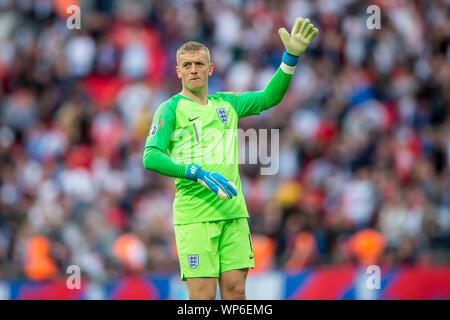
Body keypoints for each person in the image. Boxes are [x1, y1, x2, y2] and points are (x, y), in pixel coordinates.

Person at [143, 17, 319, 300]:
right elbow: (150, 157)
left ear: (210, 68)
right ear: (178, 71)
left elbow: (268, 98)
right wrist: (195, 172)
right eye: (187, 65)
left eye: (199, 64)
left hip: (233, 213)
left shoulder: (227, 103)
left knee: (236, 293)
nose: (194, 70)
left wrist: (290, 58)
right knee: (202, 298)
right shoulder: (170, 109)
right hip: (195, 218)